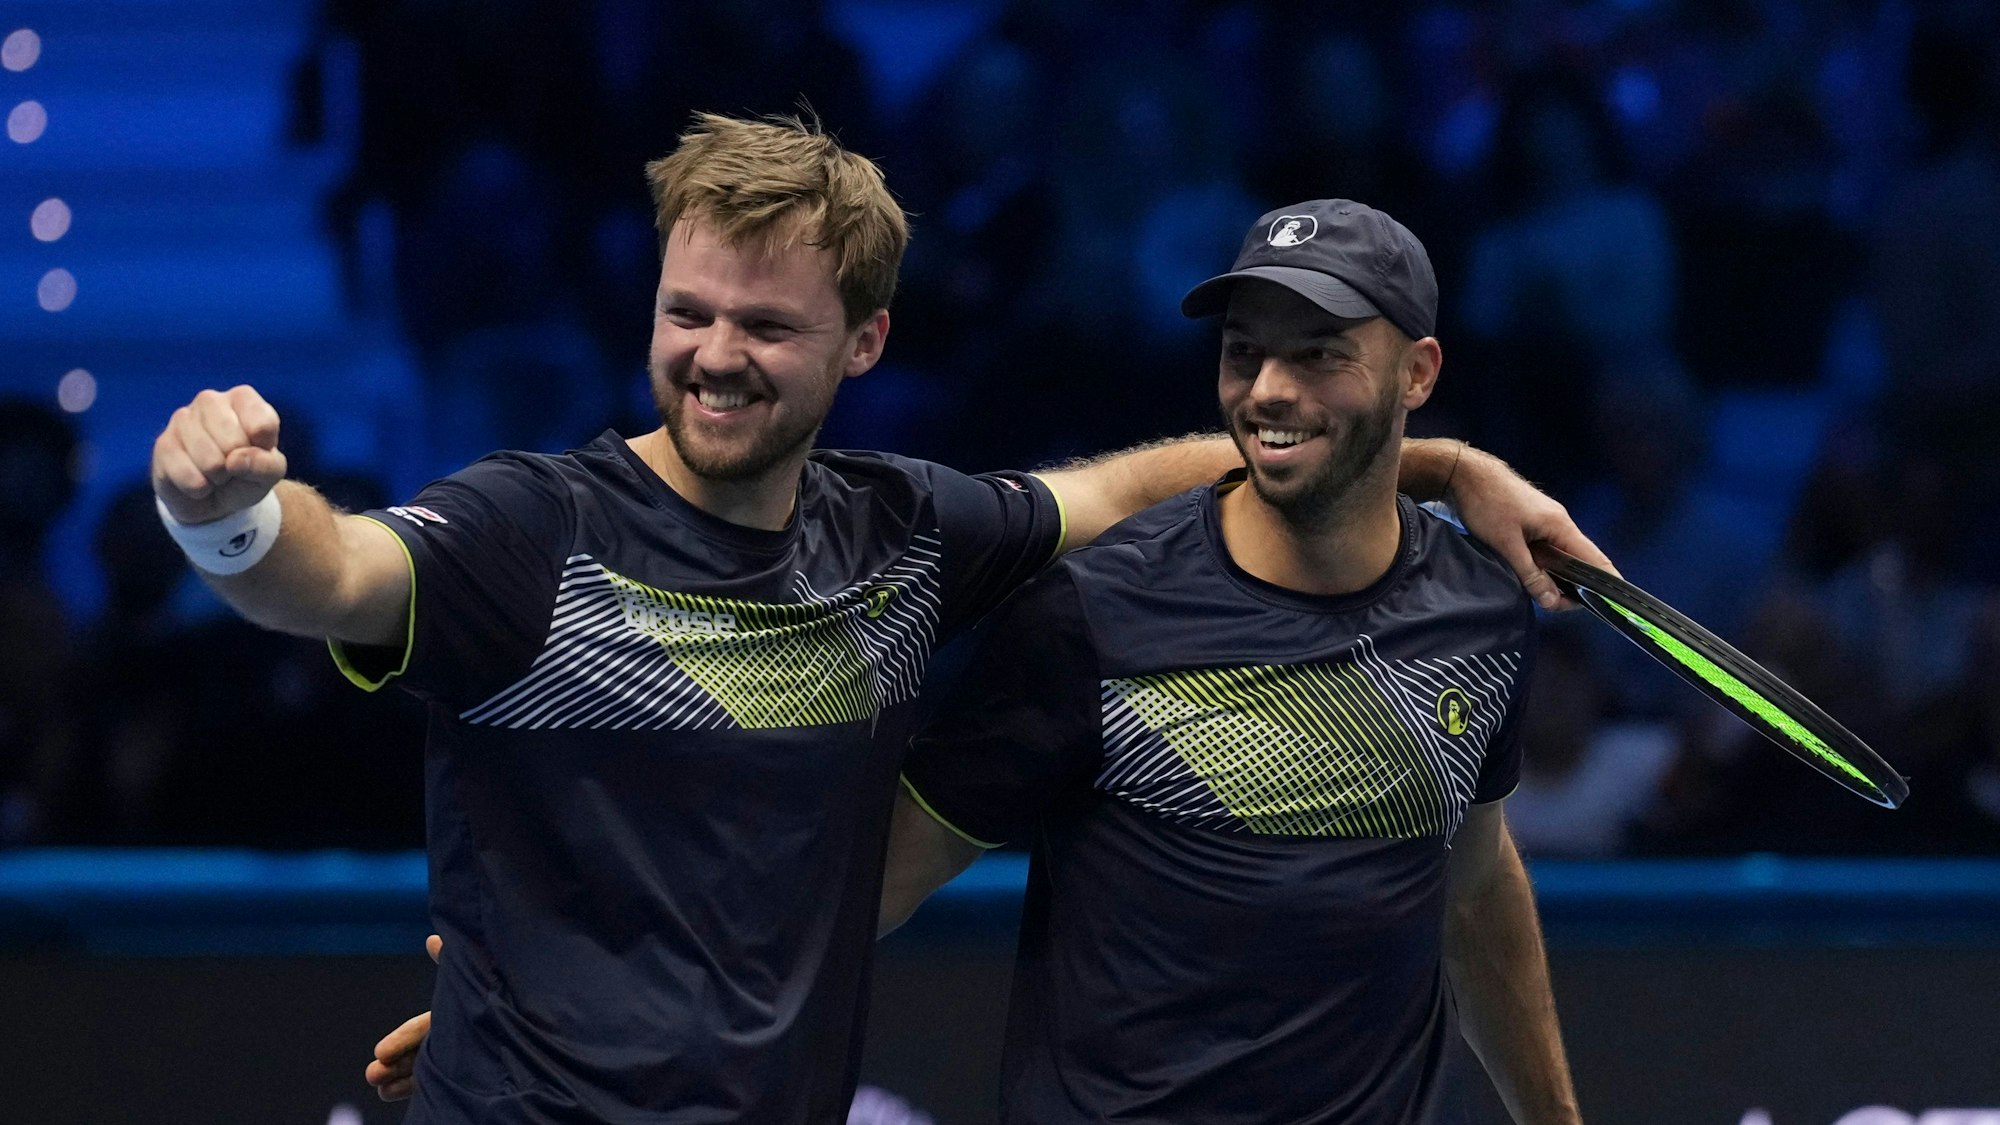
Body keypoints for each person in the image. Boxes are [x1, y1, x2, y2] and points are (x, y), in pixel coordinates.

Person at [154, 115, 1595, 1123]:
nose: (715, 356)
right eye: (687, 312)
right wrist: (223, 516)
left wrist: (1447, 467)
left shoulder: (901, 535)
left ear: (866, 342)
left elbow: (1116, 487)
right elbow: (333, 575)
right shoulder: (532, 530)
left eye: (766, 326)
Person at [882, 200, 1581, 1122]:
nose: (1267, 390)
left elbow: (1475, 883)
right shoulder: (1091, 613)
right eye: (1245, 351)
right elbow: (871, 893)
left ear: (1418, 372)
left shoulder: (1479, 612)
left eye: (1320, 353)